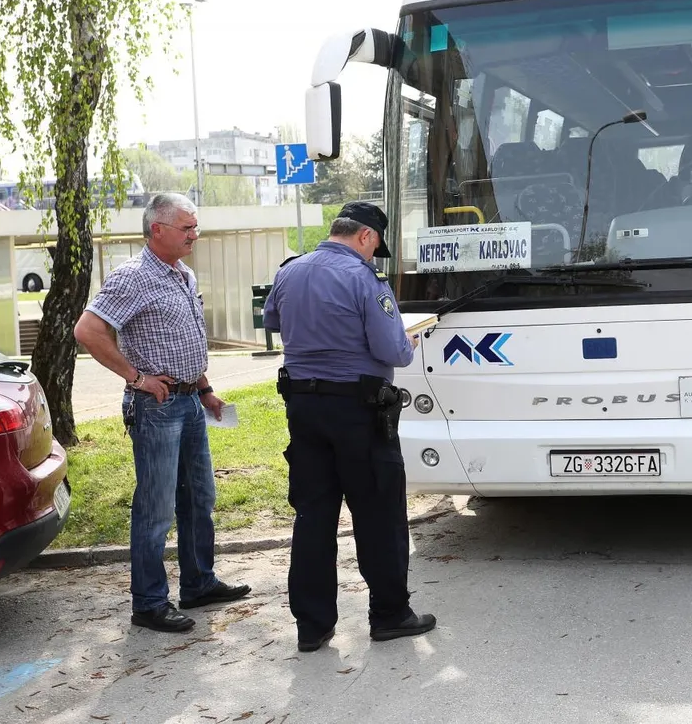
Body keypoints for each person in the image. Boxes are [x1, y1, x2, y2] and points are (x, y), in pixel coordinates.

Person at [73, 192, 251, 633]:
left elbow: (186, 340)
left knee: (199, 497)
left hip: (191, 401)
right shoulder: (132, 277)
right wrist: (136, 379)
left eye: (195, 226)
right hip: (157, 407)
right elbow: (88, 331)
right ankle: (149, 603)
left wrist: (206, 390)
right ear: (157, 230)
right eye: (186, 227)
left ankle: (198, 584)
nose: (195, 234)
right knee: (156, 508)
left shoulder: (183, 274)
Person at [264, 201, 436, 652]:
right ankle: (389, 614)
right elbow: (392, 351)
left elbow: (274, 322)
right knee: (378, 514)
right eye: (374, 246)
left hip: (303, 410)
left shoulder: (289, 271)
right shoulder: (365, 280)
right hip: (359, 413)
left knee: (313, 517)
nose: (373, 255)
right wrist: (407, 338)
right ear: (365, 236)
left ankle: (312, 626)